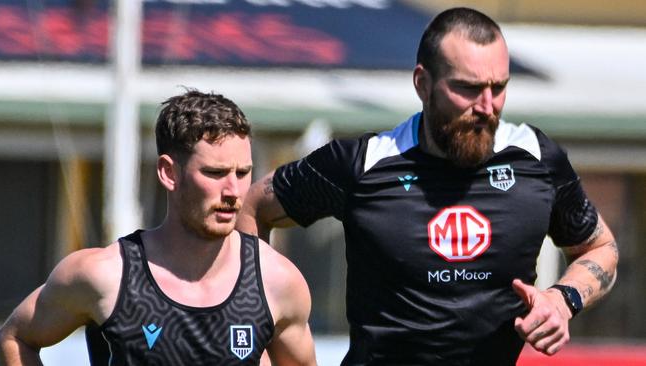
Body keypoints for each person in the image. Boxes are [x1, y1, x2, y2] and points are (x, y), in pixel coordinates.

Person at [236, 7, 619, 365]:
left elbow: (601, 248)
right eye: (468, 89)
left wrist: (562, 298)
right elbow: (253, 207)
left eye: (498, 87)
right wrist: (254, 343)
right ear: (423, 83)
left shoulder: (537, 159)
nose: (487, 106)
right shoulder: (360, 164)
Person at [0, 90, 317, 365]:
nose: (233, 191)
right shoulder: (106, 275)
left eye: (243, 172)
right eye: (215, 173)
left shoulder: (277, 282)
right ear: (169, 173)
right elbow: (15, 338)